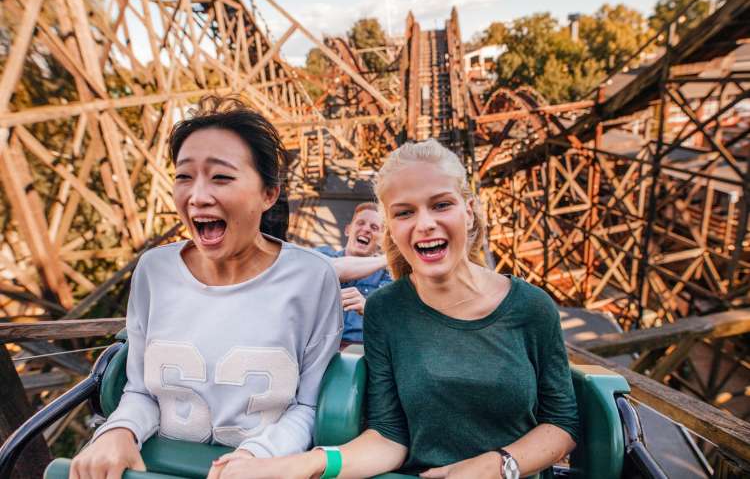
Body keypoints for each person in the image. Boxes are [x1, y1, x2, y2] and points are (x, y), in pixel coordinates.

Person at [213, 139, 578, 479]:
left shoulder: (531, 307)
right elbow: (389, 438)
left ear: (468, 211)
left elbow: (562, 423)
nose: (424, 224)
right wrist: (299, 465)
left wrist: (497, 465)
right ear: (392, 227)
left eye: (441, 205)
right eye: (404, 213)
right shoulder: (387, 311)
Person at [68, 96, 342, 479]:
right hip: (157, 469)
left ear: (269, 193)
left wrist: (257, 457)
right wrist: (120, 430)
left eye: (221, 177)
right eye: (184, 176)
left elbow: (309, 407)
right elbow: (143, 391)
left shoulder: (312, 278)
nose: (197, 196)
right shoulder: (153, 270)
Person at [317, 202, 391, 346]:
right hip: (316, 348)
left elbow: (394, 325)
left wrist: (370, 310)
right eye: (360, 223)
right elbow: (333, 268)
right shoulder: (323, 255)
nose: (366, 229)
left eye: (374, 227)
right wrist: (389, 258)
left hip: (359, 351)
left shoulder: (387, 277)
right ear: (347, 230)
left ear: (382, 239)